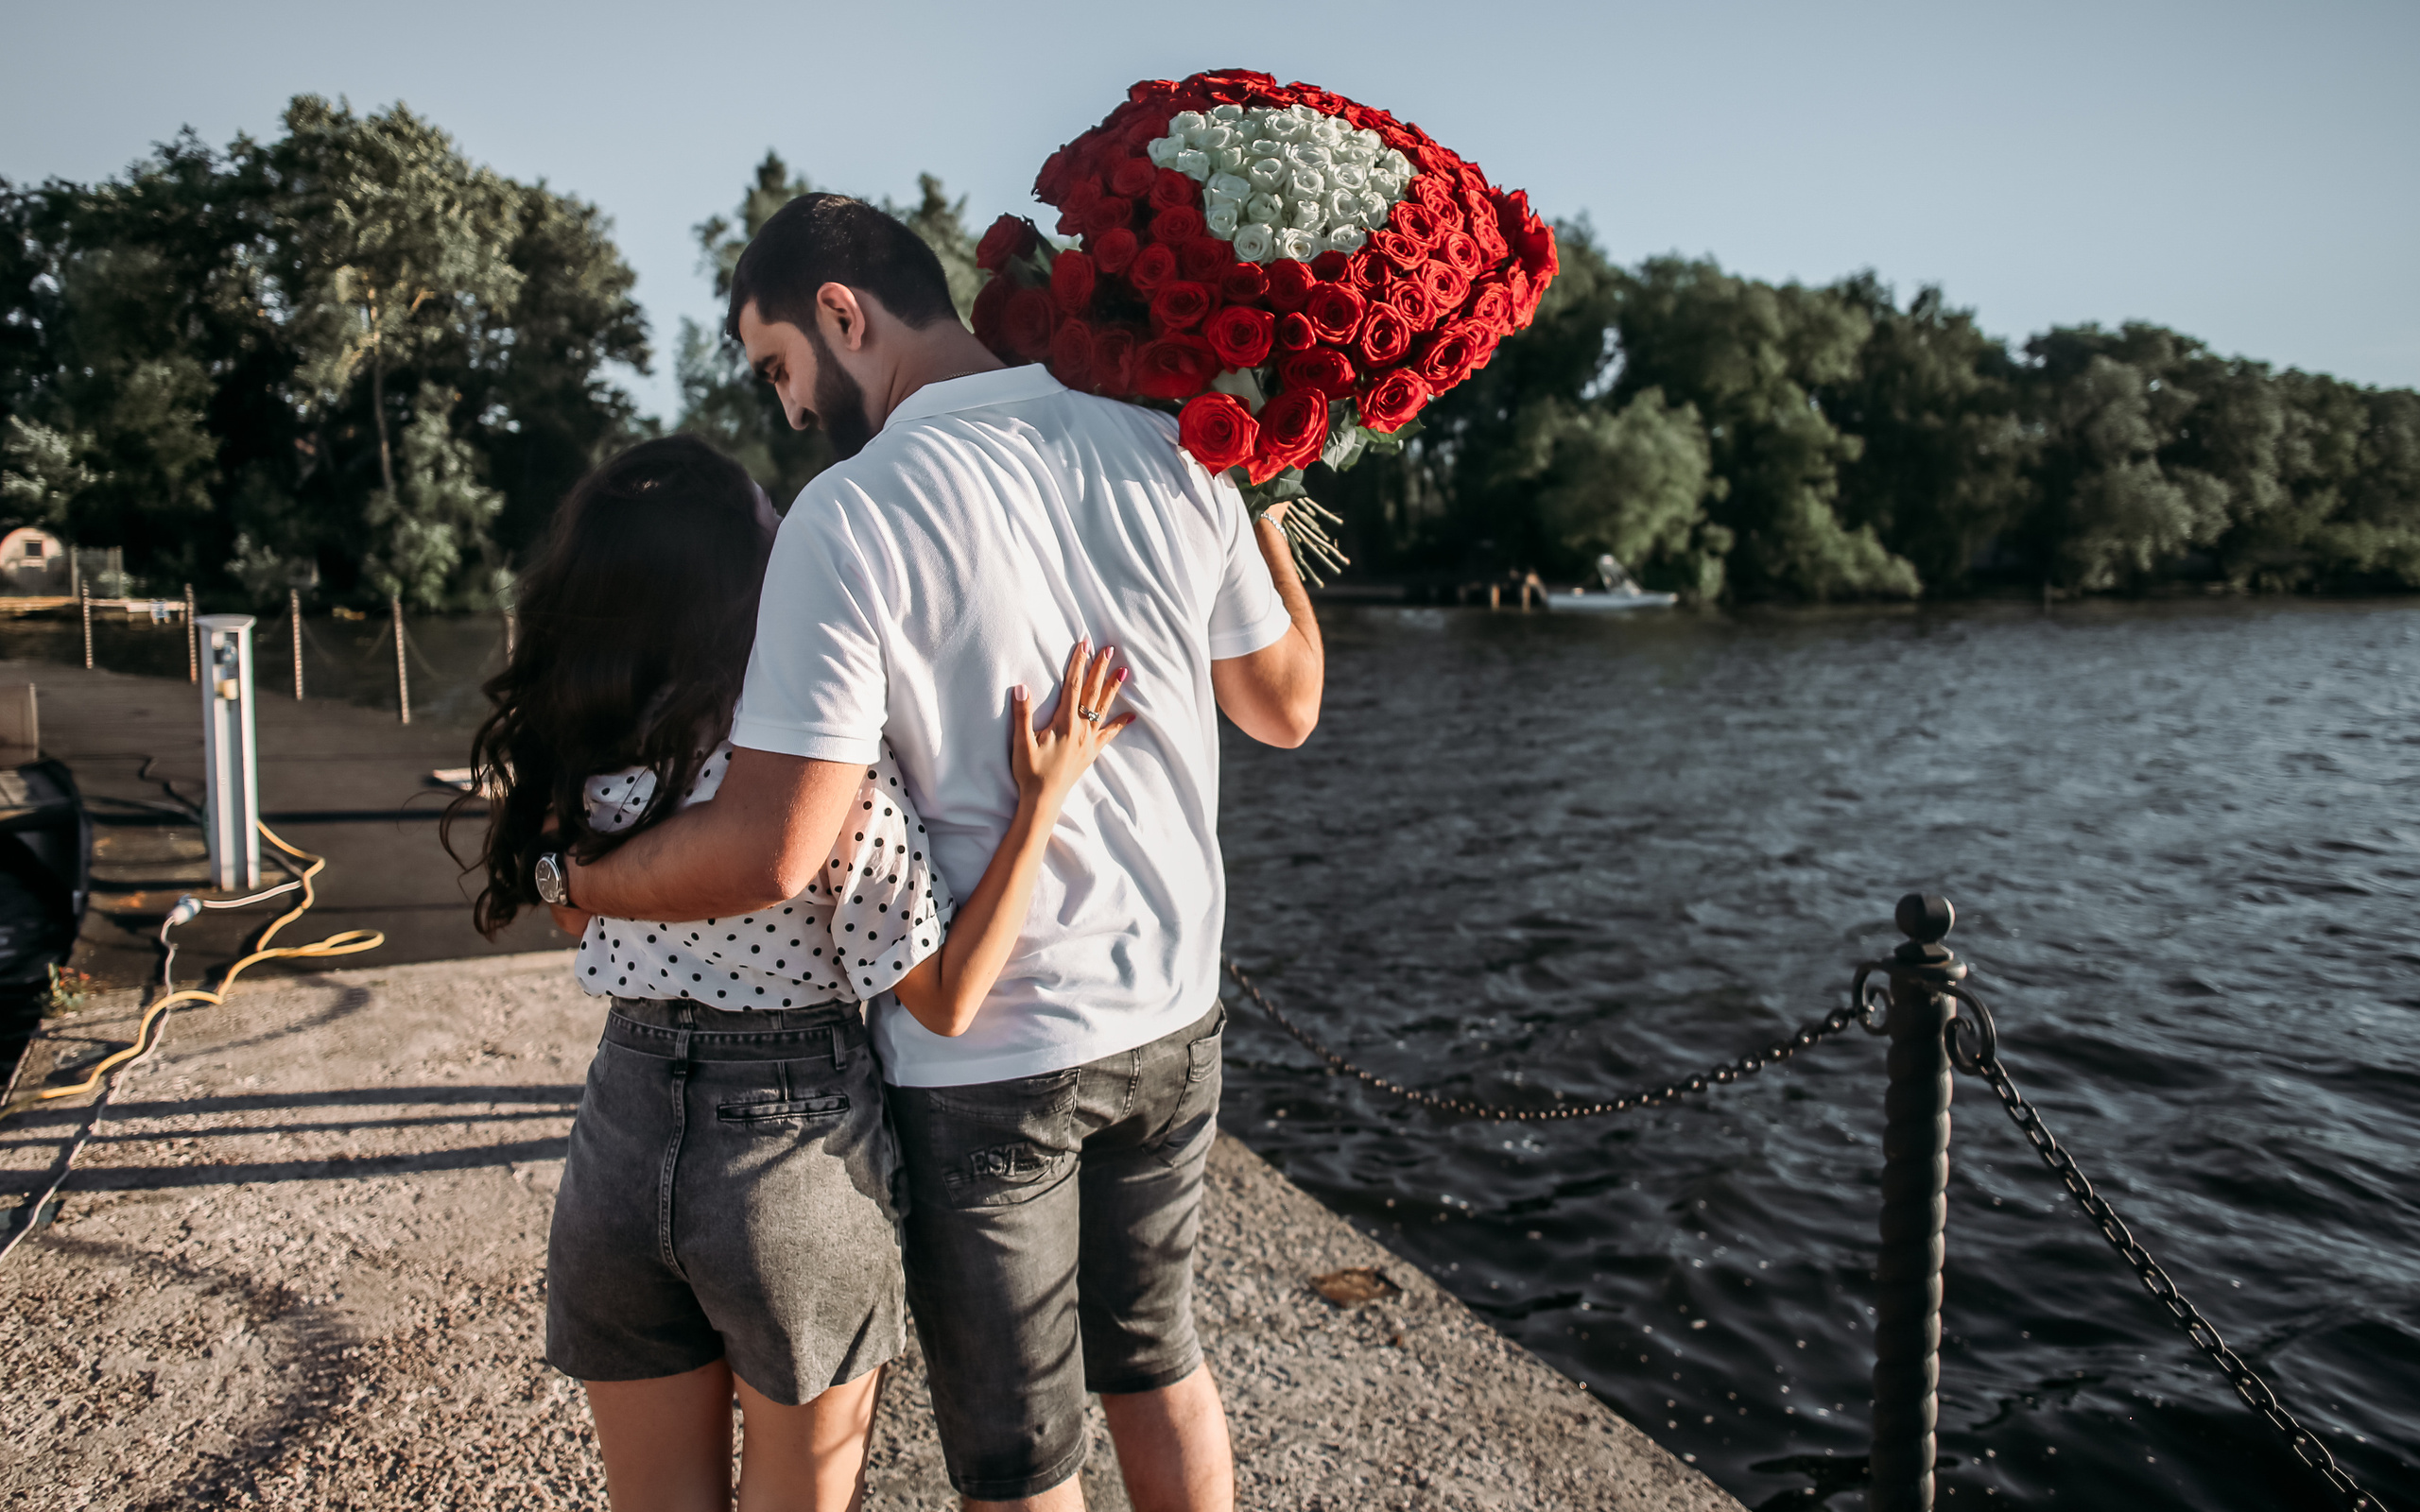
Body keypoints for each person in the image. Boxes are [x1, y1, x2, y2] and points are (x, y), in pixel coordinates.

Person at [556, 194, 1323, 1512]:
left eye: (780, 365)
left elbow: (778, 847)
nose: (790, 407)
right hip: (1174, 1012)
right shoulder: (1172, 448)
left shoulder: (845, 518)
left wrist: (583, 880)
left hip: (993, 1050)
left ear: (843, 314)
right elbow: (1287, 706)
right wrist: (1262, 476)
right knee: (1158, 1365)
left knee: (1021, 1458)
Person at [456, 434, 1138, 1512]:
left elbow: (570, 913)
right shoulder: (821, 788)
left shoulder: (585, 768)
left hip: (618, 1139)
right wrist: (1041, 802)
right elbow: (947, 997)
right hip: (789, 1155)